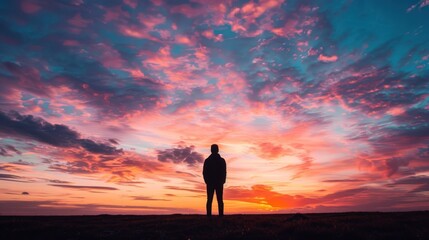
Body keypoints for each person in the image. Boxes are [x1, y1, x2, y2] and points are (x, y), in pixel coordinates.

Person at [203, 144, 227, 216]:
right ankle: (210, 216)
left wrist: (223, 180)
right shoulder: (208, 160)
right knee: (211, 200)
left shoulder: (220, 160)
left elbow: (224, 171)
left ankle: (219, 216)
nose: (214, 150)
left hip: (217, 183)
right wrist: (207, 181)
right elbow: (204, 172)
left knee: (218, 200)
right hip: (212, 183)